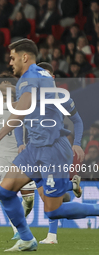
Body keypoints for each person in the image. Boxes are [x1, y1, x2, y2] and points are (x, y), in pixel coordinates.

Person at [0, 39, 99, 252]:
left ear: (24, 57)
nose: (10, 62)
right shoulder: (42, 75)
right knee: (5, 191)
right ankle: (27, 239)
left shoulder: (28, 78)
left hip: (52, 150)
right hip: (34, 149)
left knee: (53, 211)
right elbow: (28, 104)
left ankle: (96, 208)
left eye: (12, 57)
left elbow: (21, 111)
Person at [0, 73, 37, 241]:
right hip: (2, 157)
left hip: (23, 156)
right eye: (1, 90)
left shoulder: (22, 106)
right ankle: (18, 231)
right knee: (8, 196)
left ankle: (20, 224)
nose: (4, 93)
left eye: (7, 89)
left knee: (29, 198)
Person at [36, 62, 85, 244]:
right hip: (37, 148)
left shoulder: (61, 97)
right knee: (44, 193)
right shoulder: (32, 97)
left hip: (57, 146)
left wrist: (77, 143)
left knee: (50, 192)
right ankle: (71, 186)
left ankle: (52, 236)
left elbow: (77, 121)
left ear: (53, 78)